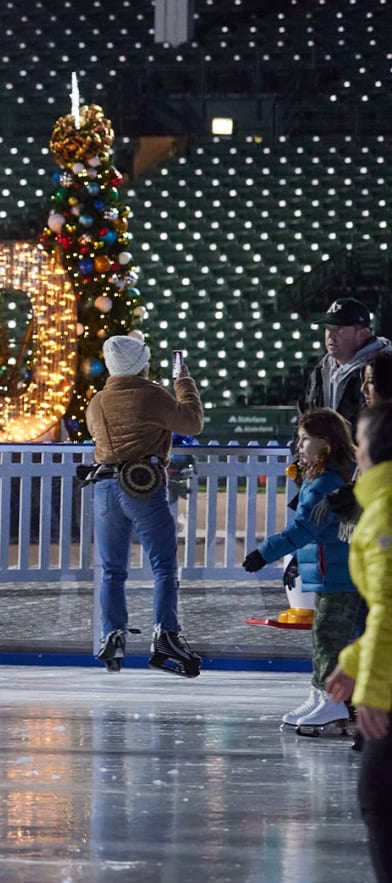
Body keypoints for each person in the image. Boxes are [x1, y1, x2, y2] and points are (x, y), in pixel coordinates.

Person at [83, 334, 206, 676]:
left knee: (112, 569)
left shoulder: (97, 401)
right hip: (141, 485)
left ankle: (113, 635)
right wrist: (184, 381)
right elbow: (192, 422)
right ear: (140, 363)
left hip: (104, 486)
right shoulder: (150, 395)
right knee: (164, 566)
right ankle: (165, 634)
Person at [245, 409, 362, 735]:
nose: (299, 445)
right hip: (330, 575)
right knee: (324, 638)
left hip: (339, 576)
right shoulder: (322, 477)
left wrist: (263, 553)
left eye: (305, 438)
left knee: (329, 639)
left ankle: (332, 701)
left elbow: (304, 529)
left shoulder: (326, 482)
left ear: (325, 442)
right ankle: (321, 696)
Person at [326, 405, 392, 880]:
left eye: (361, 442)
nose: (355, 451)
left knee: (379, 798)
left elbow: (390, 608)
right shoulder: (379, 503)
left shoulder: (386, 510)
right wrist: (352, 659)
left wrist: (373, 690)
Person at [305, 298, 389, 426]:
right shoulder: (320, 370)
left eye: (339, 328)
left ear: (362, 334)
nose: (330, 335)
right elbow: (305, 421)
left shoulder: (382, 370)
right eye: (328, 328)